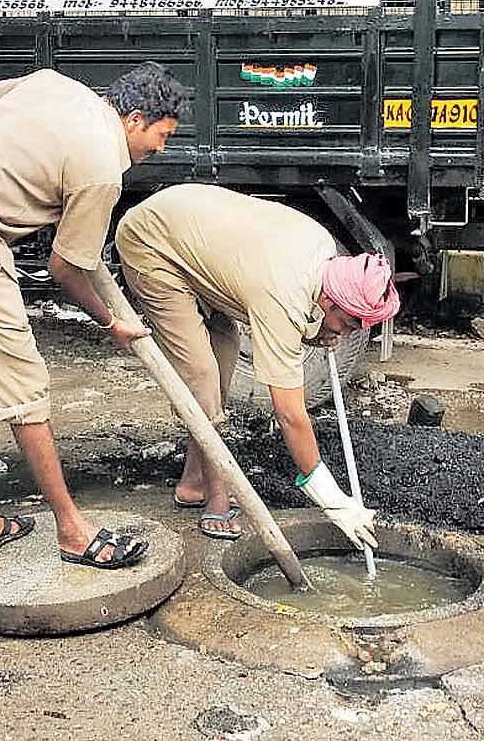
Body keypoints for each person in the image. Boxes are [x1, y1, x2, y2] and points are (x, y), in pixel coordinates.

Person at [0, 62, 191, 569]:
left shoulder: (55, 85)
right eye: (162, 136)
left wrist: (1, 162)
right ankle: (72, 531)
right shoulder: (101, 169)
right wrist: (111, 323)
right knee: (24, 390)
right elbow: (67, 268)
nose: (160, 149)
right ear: (135, 119)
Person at [115, 183, 400, 543]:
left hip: (197, 239)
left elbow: (285, 310)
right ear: (331, 301)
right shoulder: (283, 294)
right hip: (153, 244)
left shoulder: (326, 258)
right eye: (348, 323)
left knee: (227, 345)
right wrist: (332, 500)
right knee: (202, 377)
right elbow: (290, 415)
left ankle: (192, 483)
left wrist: (315, 333)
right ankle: (216, 502)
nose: (346, 333)